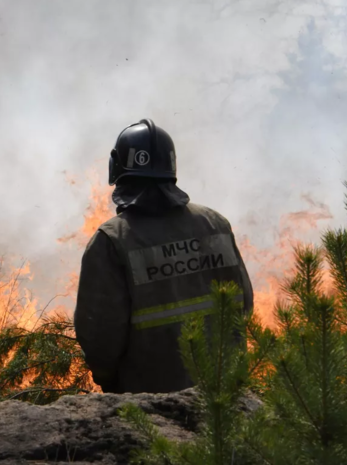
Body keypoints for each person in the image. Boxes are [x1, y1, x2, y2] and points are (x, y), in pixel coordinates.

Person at [73, 118, 254, 394]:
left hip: (151, 411)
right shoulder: (215, 224)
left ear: (118, 170)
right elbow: (245, 305)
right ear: (171, 169)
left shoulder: (111, 241)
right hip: (226, 404)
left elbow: (100, 338)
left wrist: (111, 384)